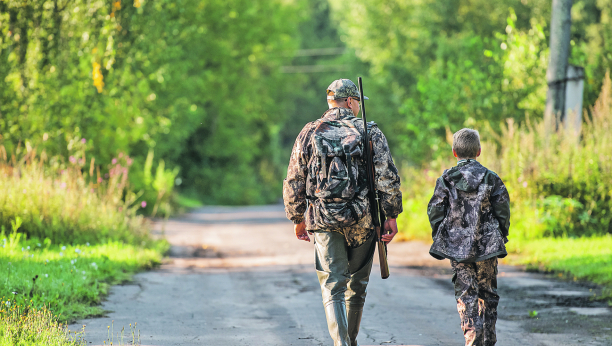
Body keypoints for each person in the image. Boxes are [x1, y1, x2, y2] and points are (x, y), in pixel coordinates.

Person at [283, 78, 403, 346]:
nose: (359, 106)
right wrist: (391, 215)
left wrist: (297, 217)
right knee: (356, 288)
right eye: (358, 101)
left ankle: (342, 344)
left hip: (324, 219)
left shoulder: (310, 132)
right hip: (363, 219)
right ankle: (350, 341)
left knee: (332, 286)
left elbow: (294, 178)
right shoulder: (370, 131)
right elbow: (386, 177)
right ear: (350, 101)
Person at [427, 128, 511, 346]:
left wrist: (441, 235)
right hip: (488, 247)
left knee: (466, 295)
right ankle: (489, 340)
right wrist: (502, 234)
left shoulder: (446, 179)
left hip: (457, 248)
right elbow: (503, 210)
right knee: (488, 295)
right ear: (479, 151)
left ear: (454, 152)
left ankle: (472, 340)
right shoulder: (491, 178)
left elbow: (435, 210)